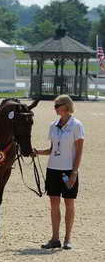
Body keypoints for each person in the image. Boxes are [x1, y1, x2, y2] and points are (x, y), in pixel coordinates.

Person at [34, 95, 84, 250]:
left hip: (69, 170)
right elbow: (52, 150)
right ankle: (55, 238)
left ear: (66, 106)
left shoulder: (76, 125)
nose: (55, 108)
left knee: (69, 203)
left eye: (57, 105)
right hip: (53, 169)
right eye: (55, 106)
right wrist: (37, 152)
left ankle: (67, 239)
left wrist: (74, 173)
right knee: (53, 203)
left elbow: (80, 151)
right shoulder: (53, 125)